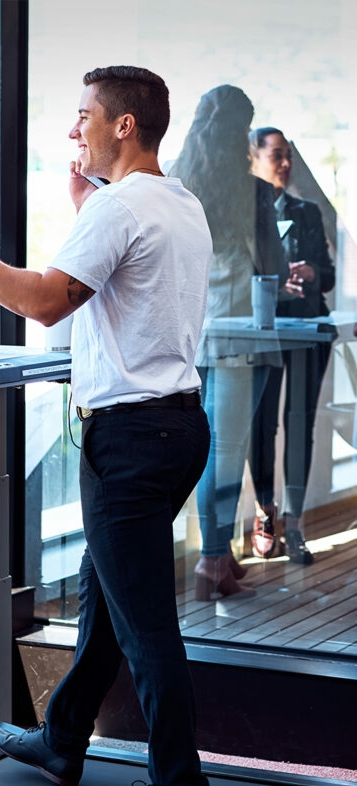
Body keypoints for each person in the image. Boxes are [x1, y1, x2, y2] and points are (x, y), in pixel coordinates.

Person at [0, 65, 214, 786]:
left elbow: (41, 303)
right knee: (107, 600)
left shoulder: (121, 210)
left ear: (124, 125)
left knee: (143, 627)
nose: (75, 129)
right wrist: (85, 209)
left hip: (133, 440)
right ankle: (63, 739)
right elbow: (127, 291)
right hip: (176, 428)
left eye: (84, 116)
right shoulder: (176, 203)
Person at [169, 87, 289, 600]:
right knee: (229, 449)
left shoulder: (174, 182)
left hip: (193, 334)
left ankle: (218, 552)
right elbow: (276, 268)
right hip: (244, 332)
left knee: (209, 448)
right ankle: (212, 562)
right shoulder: (253, 191)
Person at [248, 127, 335, 564]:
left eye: (288, 157)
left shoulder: (307, 211)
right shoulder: (243, 212)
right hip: (263, 334)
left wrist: (312, 272)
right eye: (276, 156)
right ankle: (267, 514)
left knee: (300, 427)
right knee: (261, 427)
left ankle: (296, 526)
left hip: (308, 334)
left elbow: (330, 275)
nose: (285, 164)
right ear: (253, 159)